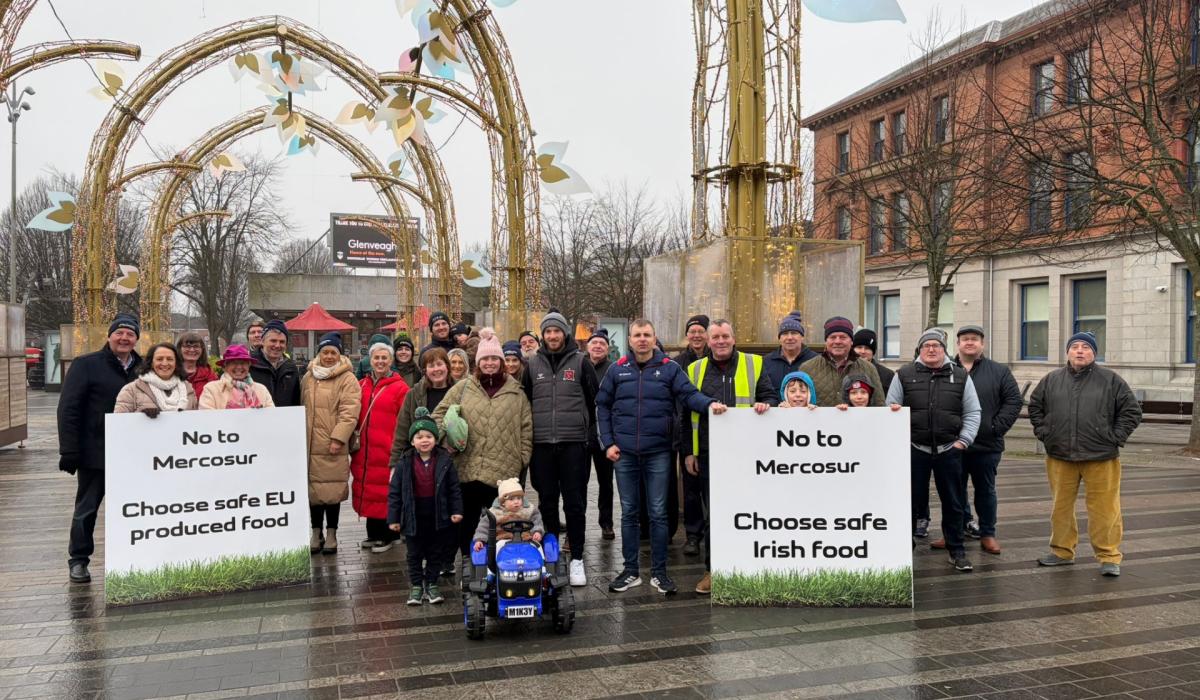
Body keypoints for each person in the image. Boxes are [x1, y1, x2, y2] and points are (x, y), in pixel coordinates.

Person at [596, 319, 725, 596]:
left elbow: (689, 395)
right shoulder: (617, 370)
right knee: (629, 513)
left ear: (654, 339)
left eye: (647, 335)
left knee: (658, 513)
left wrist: (710, 404)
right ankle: (630, 571)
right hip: (624, 453)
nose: (642, 339)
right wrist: (608, 442)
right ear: (630, 340)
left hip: (658, 452)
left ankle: (659, 573)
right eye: (637, 335)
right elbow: (602, 406)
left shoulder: (669, 368)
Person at [1029, 331, 1142, 577]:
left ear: (1094, 353)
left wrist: (1114, 437)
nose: (1080, 351)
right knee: (1060, 507)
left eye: (1086, 347)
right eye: (1075, 346)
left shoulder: (1111, 380)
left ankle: (1109, 556)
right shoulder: (1051, 380)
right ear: (1068, 352)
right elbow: (1035, 406)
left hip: (1101, 456)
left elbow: (1131, 412)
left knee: (1105, 509)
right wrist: (1045, 432)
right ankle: (1061, 552)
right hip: (1060, 455)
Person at [683, 320, 774, 595]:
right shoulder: (694, 369)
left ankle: (749, 567)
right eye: (716, 337)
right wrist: (689, 452)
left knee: (751, 512)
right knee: (716, 514)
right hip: (710, 453)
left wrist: (765, 404)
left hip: (749, 454)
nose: (720, 341)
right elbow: (686, 412)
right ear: (708, 341)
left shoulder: (754, 363)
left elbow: (769, 396)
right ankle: (713, 570)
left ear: (734, 339)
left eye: (725, 336)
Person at [886, 328, 981, 573]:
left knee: (954, 502)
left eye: (936, 345)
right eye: (926, 345)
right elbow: (891, 407)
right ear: (919, 349)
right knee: (909, 502)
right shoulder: (904, 374)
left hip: (949, 449)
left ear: (944, 349)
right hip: (914, 449)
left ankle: (956, 550)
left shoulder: (960, 375)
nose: (931, 349)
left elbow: (972, 411)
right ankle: (904, 549)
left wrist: (963, 441)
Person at [432, 328, 532, 558]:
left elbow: (527, 429)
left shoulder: (516, 392)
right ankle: (469, 563)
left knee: (500, 523)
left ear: (501, 362)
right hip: (467, 466)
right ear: (478, 362)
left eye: (494, 359)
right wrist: (445, 440)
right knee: (466, 521)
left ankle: (495, 565)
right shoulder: (464, 387)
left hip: (502, 470)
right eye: (485, 359)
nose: (489, 363)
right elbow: (438, 415)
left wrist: (521, 458)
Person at [58, 313, 143, 583]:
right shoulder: (86, 364)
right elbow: (68, 408)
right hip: (96, 451)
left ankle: (134, 558)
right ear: (109, 335)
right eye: (119, 333)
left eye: (130, 334)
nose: (124, 338)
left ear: (136, 339)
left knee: (137, 508)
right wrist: (69, 450)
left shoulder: (144, 368)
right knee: (86, 509)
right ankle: (78, 559)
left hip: (134, 455)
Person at [521, 310, 599, 587]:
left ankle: (576, 557)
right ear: (542, 335)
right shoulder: (532, 365)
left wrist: (589, 436)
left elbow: (595, 401)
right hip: (542, 445)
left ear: (564, 333)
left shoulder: (581, 362)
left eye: (557, 331)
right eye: (548, 331)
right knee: (547, 502)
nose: (552, 336)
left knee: (575, 503)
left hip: (573, 445)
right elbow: (525, 403)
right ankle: (551, 554)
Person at [929, 325, 1022, 555]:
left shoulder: (999, 371)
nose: (969, 343)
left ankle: (988, 533)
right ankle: (953, 533)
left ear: (983, 344)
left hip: (986, 445)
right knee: (953, 492)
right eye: (965, 339)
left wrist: (995, 427)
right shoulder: (944, 369)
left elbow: (1013, 401)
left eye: (974, 339)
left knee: (985, 491)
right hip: (952, 444)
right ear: (958, 344)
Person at [389, 407, 463, 605]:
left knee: (435, 552)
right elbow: (395, 493)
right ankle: (416, 586)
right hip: (413, 516)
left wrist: (456, 510)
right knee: (414, 553)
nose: (424, 440)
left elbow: (453, 488)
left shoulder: (445, 460)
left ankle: (431, 583)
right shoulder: (405, 462)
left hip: (438, 515)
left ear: (435, 439)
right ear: (412, 441)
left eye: (429, 436)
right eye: (419, 437)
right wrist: (394, 518)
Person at [301, 332, 362, 556]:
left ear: (339, 355)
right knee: (313, 491)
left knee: (332, 489)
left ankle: (332, 533)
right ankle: (316, 531)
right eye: (325, 352)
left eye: (333, 352)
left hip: (332, 444)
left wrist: (338, 438)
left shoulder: (347, 378)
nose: (328, 356)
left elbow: (350, 411)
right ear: (319, 353)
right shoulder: (308, 377)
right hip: (309, 444)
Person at [351, 341, 411, 553]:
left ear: (391, 361)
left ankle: (388, 535)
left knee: (387, 492)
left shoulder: (401, 388)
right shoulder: (362, 385)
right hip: (365, 450)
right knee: (368, 490)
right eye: (376, 357)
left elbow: (405, 420)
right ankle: (374, 533)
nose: (380, 361)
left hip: (388, 448)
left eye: (384, 358)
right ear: (370, 360)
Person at [673, 314, 709, 556]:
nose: (696, 335)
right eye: (692, 331)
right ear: (687, 335)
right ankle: (693, 535)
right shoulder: (677, 363)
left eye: (700, 331)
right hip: (687, 432)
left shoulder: (716, 359)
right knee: (691, 490)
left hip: (712, 434)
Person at [800, 317, 884, 407]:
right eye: (833, 337)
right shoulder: (807, 369)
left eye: (843, 337)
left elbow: (879, 404)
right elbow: (797, 404)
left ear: (851, 341)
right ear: (826, 341)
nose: (837, 341)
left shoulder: (868, 369)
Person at [586, 329, 616, 540]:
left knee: (606, 482)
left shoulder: (613, 369)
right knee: (578, 483)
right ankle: (576, 526)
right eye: (594, 343)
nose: (597, 346)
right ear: (588, 347)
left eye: (602, 344)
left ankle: (606, 522)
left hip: (604, 434)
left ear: (607, 348)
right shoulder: (580, 366)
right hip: (582, 433)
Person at [115, 342, 198, 415]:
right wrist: (141, 416)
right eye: (159, 359)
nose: (165, 363)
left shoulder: (188, 389)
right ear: (151, 363)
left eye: (170, 359)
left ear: (176, 363)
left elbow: (195, 420)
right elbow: (119, 423)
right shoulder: (131, 390)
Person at [471, 477, 544, 547]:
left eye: (519, 498)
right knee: (493, 551)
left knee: (538, 548)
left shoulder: (529, 510)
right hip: (502, 540)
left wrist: (537, 532)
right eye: (511, 499)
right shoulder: (494, 513)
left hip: (527, 539)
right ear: (503, 502)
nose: (516, 502)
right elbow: (483, 527)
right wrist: (480, 540)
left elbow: (537, 521)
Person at [199, 345, 275, 409]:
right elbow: (207, 418)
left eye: (243, 363)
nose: (239, 367)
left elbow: (271, 417)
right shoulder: (211, 389)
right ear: (224, 367)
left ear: (249, 365)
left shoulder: (261, 389)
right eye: (234, 363)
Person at [763, 311, 819, 393]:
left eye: (794, 333)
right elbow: (763, 392)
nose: (789, 337)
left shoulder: (815, 361)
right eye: (785, 333)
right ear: (779, 338)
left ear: (802, 337)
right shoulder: (766, 362)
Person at [250, 319, 301, 407]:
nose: (277, 345)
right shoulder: (250, 365)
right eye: (273, 341)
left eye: (282, 342)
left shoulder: (291, 368)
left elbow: (296, 401)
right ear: (262, 341)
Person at [852, 328, 894, 395]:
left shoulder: (887, 375)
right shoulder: (844, 371)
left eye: (867, 348)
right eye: (859, 347)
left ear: (873, 352)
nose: (863, 351)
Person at [177, 332, 217, 400]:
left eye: (196, 346)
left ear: (202, 349)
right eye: (187, 346)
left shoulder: (209, 374)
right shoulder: (172, 372)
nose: (192, 350)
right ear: (179, 349)